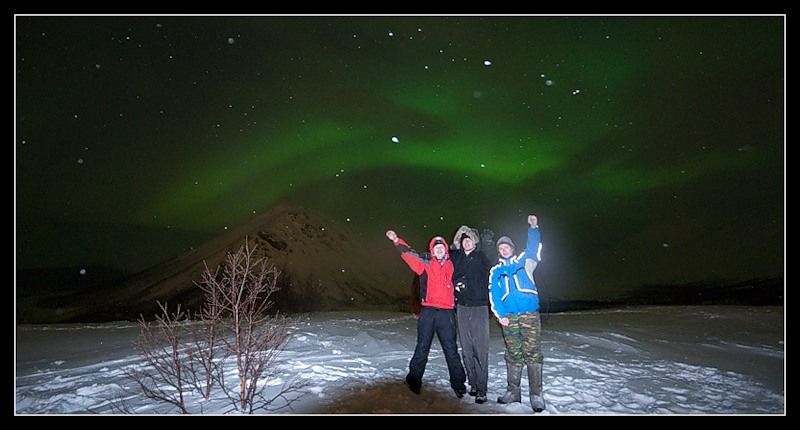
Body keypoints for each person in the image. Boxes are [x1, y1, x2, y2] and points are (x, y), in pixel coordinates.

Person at [386, 229, 467, 397]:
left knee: (451, 349)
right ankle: (414, 380)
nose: (439, 250)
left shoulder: (453, 264)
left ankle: (458, 383)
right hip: (428, 311)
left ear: (446, 249)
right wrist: (396, 240)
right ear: (432, 250)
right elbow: (408, 254)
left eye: (441, 247)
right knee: (422, 347)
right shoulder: (425, 263)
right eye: (436, 247)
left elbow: (464, 257)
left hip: (446, 313)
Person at [489, 214, 546, 413]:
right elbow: (494, 295)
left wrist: (533, 227)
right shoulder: (496, 271)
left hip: (529, 315)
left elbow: (534, 247)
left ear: (512, 248)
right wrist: (500, 315)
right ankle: (513, 392)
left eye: (506, 246)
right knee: (513, 354)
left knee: (532, 353)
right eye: (500, 248)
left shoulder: (524, 262)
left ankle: (536, 395)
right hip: (509, 318)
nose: (504, 249)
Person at [449, 225, 493, 404]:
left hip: (479, 307)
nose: (467, 242)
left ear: (475, 242)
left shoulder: (482, 257)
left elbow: (492, 270)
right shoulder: (457, 257)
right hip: (462, 307)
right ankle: (473, 383)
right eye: (464, 240)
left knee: (480, 348)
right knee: (467, 349)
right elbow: (448, 251)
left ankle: (482, 388)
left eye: (470, 239)